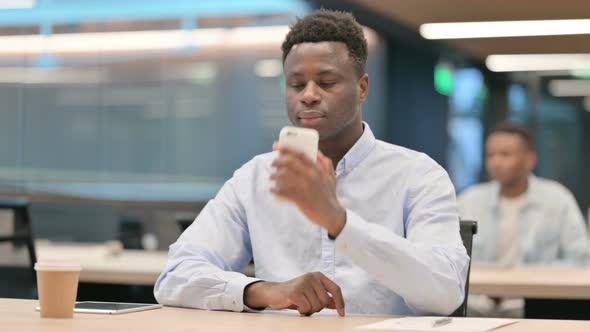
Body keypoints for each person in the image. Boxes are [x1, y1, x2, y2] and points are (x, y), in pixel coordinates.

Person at [154, 9, 468, 317]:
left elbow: (445, 293)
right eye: (296, 84)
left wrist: (339, 222)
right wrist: (264, 290)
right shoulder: (256, 177)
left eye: (327, 82)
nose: (309, 95)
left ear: (362, 88)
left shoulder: (419, 175)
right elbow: (176, 275)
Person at [458, 123, 590, 316]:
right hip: (475, 306)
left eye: (505, 154)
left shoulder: (558, 199)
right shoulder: (470, 199)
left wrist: (520, 279)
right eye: (491, 155)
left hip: (534, 306)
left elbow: (581, 260)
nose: (496, 162)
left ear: (529, 160)